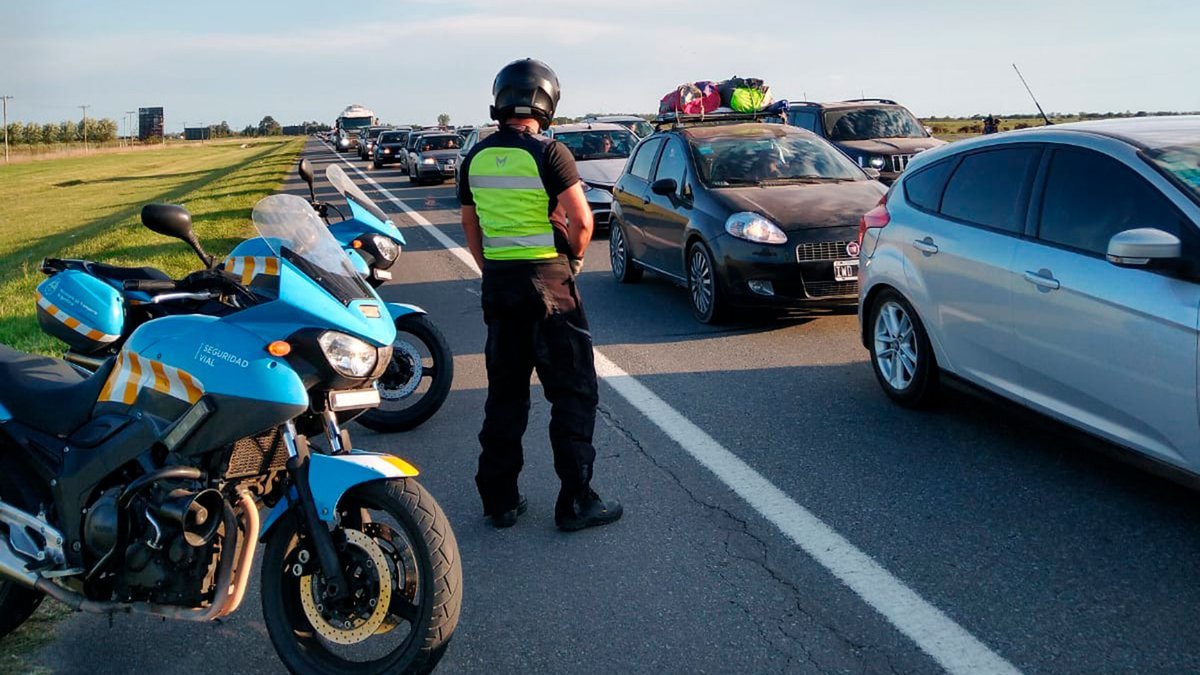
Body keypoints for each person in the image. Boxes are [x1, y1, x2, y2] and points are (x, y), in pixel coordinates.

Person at [457, 58, 623, 532]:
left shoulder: (476, 157)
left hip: (500, 285)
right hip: (549, 284)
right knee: (572, 392)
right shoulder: (550, 153)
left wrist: (489, 267)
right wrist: (572, 260)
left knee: (505, 397)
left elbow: (471, 223)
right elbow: (583, 221)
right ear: (546, 102)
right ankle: (576, 501)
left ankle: (500, 500)